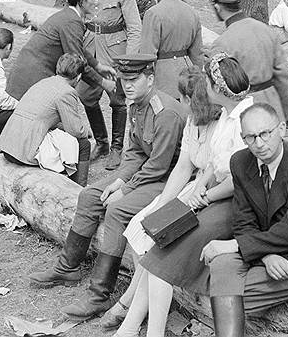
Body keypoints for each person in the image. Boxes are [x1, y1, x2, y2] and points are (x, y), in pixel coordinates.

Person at [28, 54, 187, 322]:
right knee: (90, 195)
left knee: (116, 210)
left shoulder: (166, 112)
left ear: (150, 79)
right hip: (147, 173)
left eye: (134, 80)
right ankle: (68, 267)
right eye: (124, 80)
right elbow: (136, 152)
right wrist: (118, 180)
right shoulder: (137, 105)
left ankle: (99, 294)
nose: (128, 86)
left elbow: (159, 165)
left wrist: (125, 189)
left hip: (170, 181)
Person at [109, 56, 252, 337]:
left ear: (217, 88)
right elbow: (213, 163)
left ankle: (146, 328)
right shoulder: (226, 116)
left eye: (209, 82)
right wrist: (201, 186)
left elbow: (239, 179)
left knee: (165, 247)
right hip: (213, 195)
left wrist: (205, 195)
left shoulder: (243, 119)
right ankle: (131, 324)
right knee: (159, 238)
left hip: (236, 205)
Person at [199, 103, 288, 337]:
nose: (259, 144)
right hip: (264, 249)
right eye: (250, 137)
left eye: (265, 134)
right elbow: (244, 222)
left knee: (226, 295)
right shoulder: (241, 162)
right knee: (222, 267)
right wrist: (265, 254)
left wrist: (235, 246)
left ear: (281, 129)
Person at [78, 0, 143, 171]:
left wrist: (129, 59)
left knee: (117, 100)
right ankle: (102, 143)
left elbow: (135, 28)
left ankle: (117, 149)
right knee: (85, 96)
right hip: (90, 50)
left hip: (116, 51)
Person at [207, 0, 288, 132]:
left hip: (242, 116)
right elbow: (284, 78)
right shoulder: (266, 31)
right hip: (273, 111)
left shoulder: (222, 44)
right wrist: (287, 116)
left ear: (217, 6)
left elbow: (216, 92)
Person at [6, 0, 116, 100]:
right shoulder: (72, 22)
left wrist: (98, 66)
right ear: (81, 2)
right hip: (32, 78)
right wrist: (103, 83)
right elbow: (77, 62)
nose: (97, 2)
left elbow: (78, 48)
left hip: (31, 73)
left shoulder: (69, 15)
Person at [0, 53, 92, 186]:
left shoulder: (44, 82)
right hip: (24, 152)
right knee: (83, 144)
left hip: (8, 144)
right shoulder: (67, 92)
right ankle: (78, 188)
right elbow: (75, 131)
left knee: (63, 139)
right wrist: (86, 131)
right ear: (78, 77)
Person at [139, 0, 203, 100]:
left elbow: (147, 55)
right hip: (188, 78)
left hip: (163, 81)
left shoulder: (153, 13)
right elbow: (197, 55)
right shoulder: (191, 11)